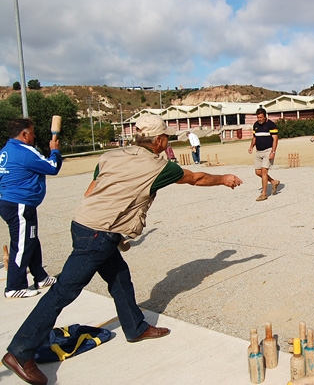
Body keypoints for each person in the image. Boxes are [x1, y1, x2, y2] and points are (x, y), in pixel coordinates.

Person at [1, 114, 243, 385]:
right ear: (160, 140)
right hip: (98, 233)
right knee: (63, 291)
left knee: (119, 277)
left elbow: (92, 189)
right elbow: (195, 178)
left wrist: (111, 222)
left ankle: (135, 327)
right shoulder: (159, 167)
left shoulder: (111, 155)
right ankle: (20, 351)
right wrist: (224, 178)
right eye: (166, 139)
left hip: (84, 224)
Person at [0, 118, 61, 299]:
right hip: (19, 204)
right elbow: (53, 167)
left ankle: (40, 277)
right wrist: (55, 150)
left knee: (30, 239)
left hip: (11, 202)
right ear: (24, 134)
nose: (34, 136)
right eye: (32, 133)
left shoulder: (5, 151)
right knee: (22, 245)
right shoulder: (24, 152)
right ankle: (14, 287)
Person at [248, 107, 280, 201]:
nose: (259, 119)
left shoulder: (271, 125)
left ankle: (264, 194)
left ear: (265, 117)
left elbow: (275, 139)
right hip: (258, 151)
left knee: (264, 171)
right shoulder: (256, 125)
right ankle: (274, 182)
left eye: (261, 117)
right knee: (258, 172)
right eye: (258, 117)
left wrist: (273, 152)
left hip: (268, 151)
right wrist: (251, 146)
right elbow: (254, 137)